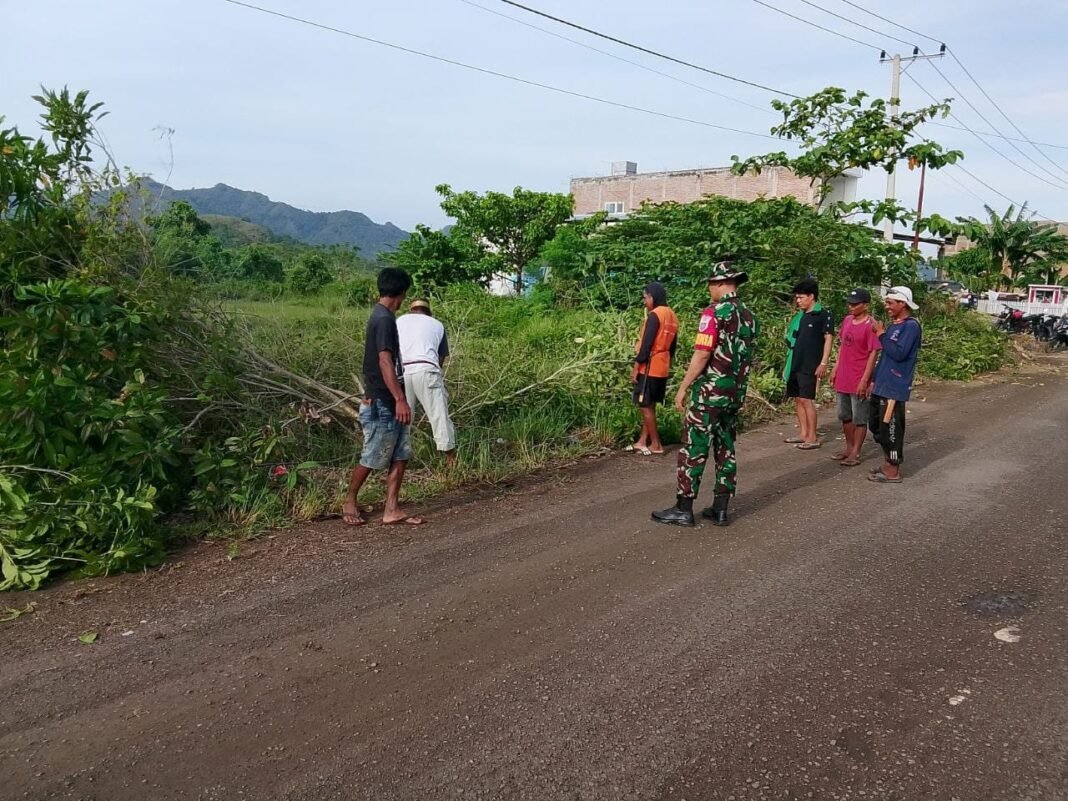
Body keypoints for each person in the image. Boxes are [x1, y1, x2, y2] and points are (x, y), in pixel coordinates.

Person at [651, 261, 758, 527]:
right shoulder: (749, 316)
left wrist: (684, 386)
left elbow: (702, 352)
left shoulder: (713, 313)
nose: (709, 288)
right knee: (726, 448)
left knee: (693, 448)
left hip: (710, 393)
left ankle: (683, 507)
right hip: (734, 394)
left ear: (721, 283)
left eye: (711, 283)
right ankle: (720, 508)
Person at [342, 267, 425, 526]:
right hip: (382, 402)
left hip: (388, 399)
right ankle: (350, 500)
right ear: (400, 293)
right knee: (373, 455)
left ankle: (392, 508)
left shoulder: (381, 316)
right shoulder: (384, 319)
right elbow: (385, 361)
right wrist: (400, 398)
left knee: (401, 454)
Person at [867, 286, 923, 484]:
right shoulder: (893, 326)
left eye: (891, 303)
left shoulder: (911, 327)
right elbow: (885, 356)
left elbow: (899, 353)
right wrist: (873, 380)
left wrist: (881, 334)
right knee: (875, 424)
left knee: (891, 428)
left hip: (895, 387)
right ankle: (887, 462)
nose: (887, 306)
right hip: (882, 384)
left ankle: (892, 470)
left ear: (903, 304)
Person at [397, 299, 457, 467]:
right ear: (428, 312)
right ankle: (451, 460)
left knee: (403, 419)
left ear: (411, 310)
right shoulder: (437, 324)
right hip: (427, 369)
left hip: (403, 371)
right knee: (439, 416)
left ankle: (399, 461)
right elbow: (441, 356)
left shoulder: (400, 321)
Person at [828, 288, 881, 467]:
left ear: (865, 305)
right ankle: (849, 447)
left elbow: (873, 353)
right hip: (844, 375)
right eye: (849, 303)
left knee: (859, 417)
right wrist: (835, 368)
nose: (851, 307)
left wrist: (865, 380)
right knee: (844, 415)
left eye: (855, 304)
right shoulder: (847, 320)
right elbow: (843, 346)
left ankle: (856, 451)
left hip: (859, 376)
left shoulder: (870, 325)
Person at [627, 282, 679, 456]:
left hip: (650, 366)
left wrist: (636, 367)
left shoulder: (655, 315)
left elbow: (646, 345)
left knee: (644, 404)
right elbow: (673, 346)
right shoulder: (672, 316)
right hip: (663, 365)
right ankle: (643, 441)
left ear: (652, 297)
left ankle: (656, 444)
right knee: (650, 404)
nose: (644, 301)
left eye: (645, 297)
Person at [783, 278, 834, 450]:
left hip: (810, 364)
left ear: (811, 296)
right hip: (795, 362)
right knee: (797, 399)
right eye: (797, 298)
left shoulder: (823, 315)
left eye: (801, 297)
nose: (798, 301)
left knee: (807, 399)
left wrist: (823, 362)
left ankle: (812, 437)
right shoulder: (800, 317)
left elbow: (828, 339)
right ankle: (803, 433)